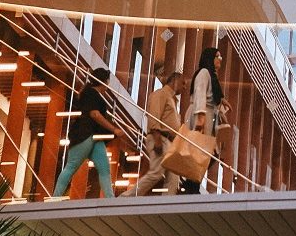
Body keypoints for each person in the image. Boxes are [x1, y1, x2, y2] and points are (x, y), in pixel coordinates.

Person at [53, 68, 125, 198]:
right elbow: (95, 114)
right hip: (86, 135)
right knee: (72, 167)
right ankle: (55, 198)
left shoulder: (89, 93)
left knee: (104, 168)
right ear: (105, 81)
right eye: (108, 81)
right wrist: (113, 129)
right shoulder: (92, 94)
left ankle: (110, 199)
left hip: (92, 136)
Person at [120, 66, 185, 196]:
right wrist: (157, 139)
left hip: (170, 142)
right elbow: (154, 116)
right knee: (156, 173)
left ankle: (166, 206)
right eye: (183, 83)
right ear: (175, 81)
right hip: (161, 137)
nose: (184, 87)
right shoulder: (161, 94)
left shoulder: (172, 100)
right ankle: (127, 197)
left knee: (173, 178)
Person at [179, 47, 231, 194]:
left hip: (207, 115)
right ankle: (191, 185)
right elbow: (200, 93)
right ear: (210, 58)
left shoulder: (211, 76)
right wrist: (200, 118)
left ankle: (192, 183)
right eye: (217, 56)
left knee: (208, 153)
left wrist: (221, 107)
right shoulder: (204, 73)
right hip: (201, 114)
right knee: (201, 152)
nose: (220, 59)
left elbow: (212, 96)